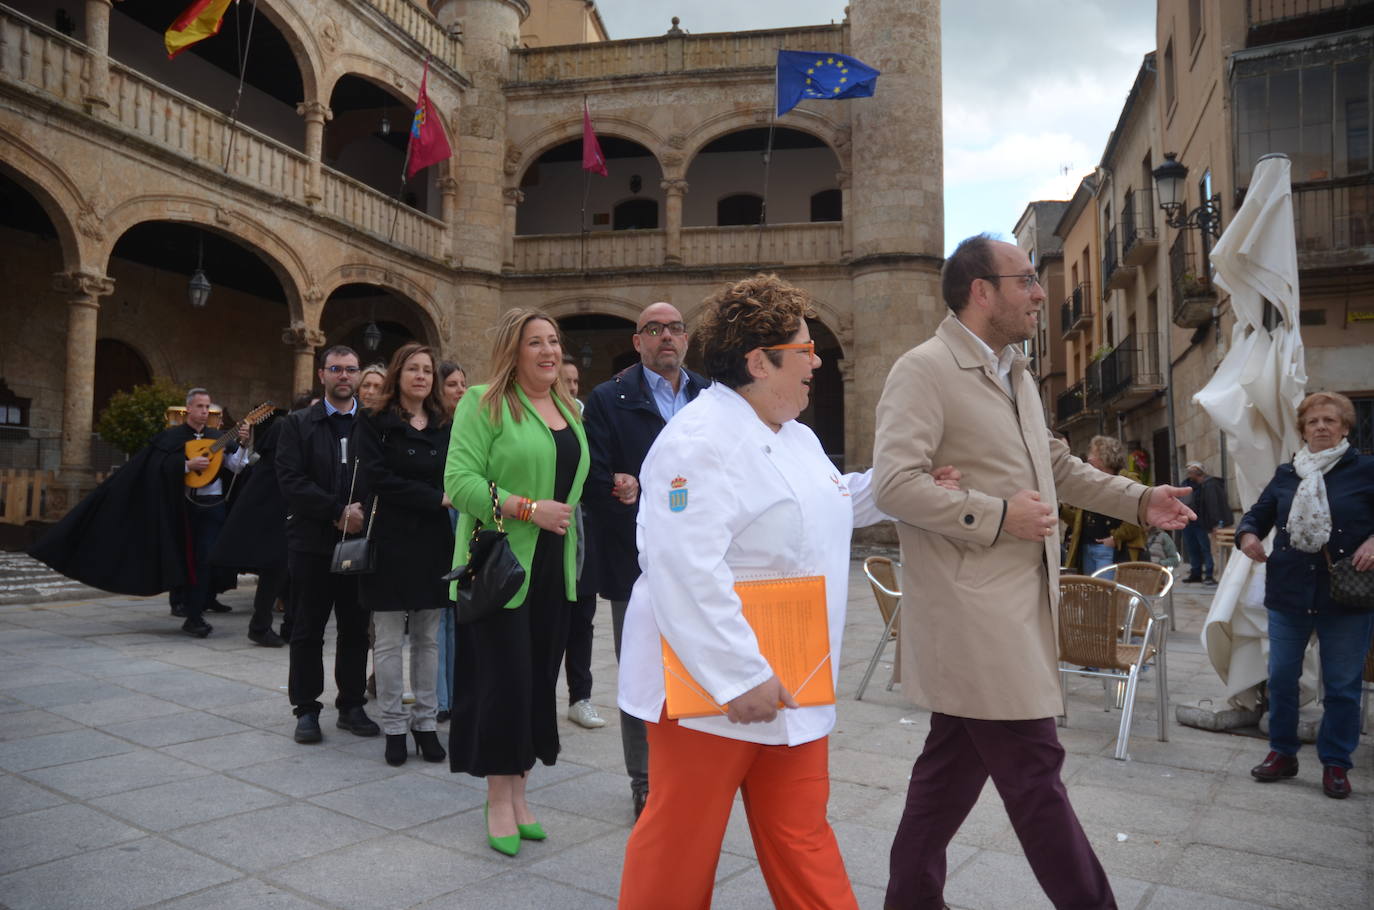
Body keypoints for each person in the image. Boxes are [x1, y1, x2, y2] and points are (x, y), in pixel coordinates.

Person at [872, 235, 1196, 910]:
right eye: (1026, 280)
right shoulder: (924, 369)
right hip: (976, 615)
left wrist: (1140, 498)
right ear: (981, 291)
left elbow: (1060, 468)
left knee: (944, 781)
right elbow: (896, 486)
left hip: (1014, 604)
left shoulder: (1015, 371)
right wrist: (995, 515)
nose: (1040, 292)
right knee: (1035, 776)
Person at [617, 274, 935, 909]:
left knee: (804, 838)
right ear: (760, 363)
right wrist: (737, 676)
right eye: (804, 348)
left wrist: (906, 485)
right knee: (678, 850)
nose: (817, 360)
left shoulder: (798, 436)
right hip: (708, 692)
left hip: (795, 678)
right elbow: (683, 567)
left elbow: (834, 499)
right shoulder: (696, 441)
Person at [444, 308, 589, 856]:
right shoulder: (484, 403)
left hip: (555, 568)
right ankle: (498, 799)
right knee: (501, 685)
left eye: (553, 341)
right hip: (503, 567)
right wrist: (528, 509)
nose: (549, 351)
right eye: (536, 343)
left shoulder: (570, 409)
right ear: (513, 349)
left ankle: (522, 792)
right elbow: (459, 483)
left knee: (535, 685)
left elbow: (572, 481)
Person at [582, 300, 710, 818]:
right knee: (640, 673)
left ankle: (692, 771)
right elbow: (590, 476)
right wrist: (616, 482)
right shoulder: (608, 398)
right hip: (635, 564)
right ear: (638, 342)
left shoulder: (710, 396)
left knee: (698, 669)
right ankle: (644, 779)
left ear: (686, 338)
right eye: (654, 330)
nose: (666, 338)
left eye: (675, 329)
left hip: (702, 558)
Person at [1237, 391, 1374, 800]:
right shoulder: (1287, 474)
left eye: (1330, 420)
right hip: (1290, 590)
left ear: (1344, 428)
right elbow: (1258, 514)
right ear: (1302, 430)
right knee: (1280, 678)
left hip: (1345, 595)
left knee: (1343, 685)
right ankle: (1283, 753)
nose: (1321, 427)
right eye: (1313, 422)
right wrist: (1246, 536)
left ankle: (1335, 763)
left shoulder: (1365, 469)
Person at [29, 387, 248, 638]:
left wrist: (242, 443)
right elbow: (156, 467)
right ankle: (184, 605)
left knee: (205, 560)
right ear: (188, 409)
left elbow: (237, 466)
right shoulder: (171, 437)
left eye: (206, 407)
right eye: (199, 406)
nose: (203, 411)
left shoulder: (217, 436)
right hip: (182, 508)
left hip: (212, 508)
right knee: (181, 557)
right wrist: (186, 464)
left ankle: (195, 615)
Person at [356, 343, 455, 766]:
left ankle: (426, 723)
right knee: (390, 639)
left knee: (429, 639)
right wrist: (436, 498)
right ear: (398, 374)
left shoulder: (444, 422)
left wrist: (446, 498)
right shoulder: (376, 422)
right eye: (412, 368)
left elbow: (458, 470)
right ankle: (394, 725)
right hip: (392, 537)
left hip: (433, 540)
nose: (420, 376)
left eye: (427, 371)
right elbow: (378, 479)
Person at [276, 345, 380, 745]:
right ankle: (306, 708)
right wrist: (336, 511)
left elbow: (379, 478)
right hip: (311, 543)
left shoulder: (371, 425)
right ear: (322, 374)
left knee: (355, 629)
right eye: (335, 369)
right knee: (308, 629)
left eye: (351, 370)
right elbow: (289, 480)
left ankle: (351, 704)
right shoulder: (298, 424)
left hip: (358, 544)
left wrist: (362, 517)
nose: (344, 376)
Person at [211, 394, 315, 647]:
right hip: (274, 511)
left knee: (289, 571)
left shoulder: (303, 430)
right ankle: (262, 626)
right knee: (278, 570)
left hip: (290, 510)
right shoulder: (284, 428)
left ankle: (287, 625)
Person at [556, 357, 605, 730]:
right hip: (550, 533)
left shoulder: (590, 424)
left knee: (582, 621)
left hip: (583, 537)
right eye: (565, 381)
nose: (572, 388)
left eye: (575, 382)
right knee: (550, 620)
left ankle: (580, 697)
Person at [1061, 434, 1148, 576]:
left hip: (1110, 550)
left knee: (1105, 594)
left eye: (1094, 454)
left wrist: (1115, 538)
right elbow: (1078, 522)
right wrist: (1060, 510)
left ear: (1106, 456)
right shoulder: (1088, 484)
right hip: (1086, 548)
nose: (1089, 459)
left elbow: (1137, 518)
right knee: (1091, 595)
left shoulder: (1127, 481)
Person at [436, 359, 466, 725]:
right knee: (440, 614)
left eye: (463, 384)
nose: (460, 390)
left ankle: (456, 692)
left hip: (463, 520)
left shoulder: (468, 427)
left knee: (458, 612)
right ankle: (442, 696)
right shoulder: (435, 431)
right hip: (441, 518)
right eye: (452, 385)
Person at [1183, 461, 1232, 584]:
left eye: (1190, 472)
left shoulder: (1209, 485)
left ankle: (1213, 575)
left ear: (1196, 473)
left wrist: (1217, 523)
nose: (1188, 475)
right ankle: (1203, 574)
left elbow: (1213, 505)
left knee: (1212, 550)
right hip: (1197, 522)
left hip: (1207, 523)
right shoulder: (1196, 484)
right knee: (1201, 548)